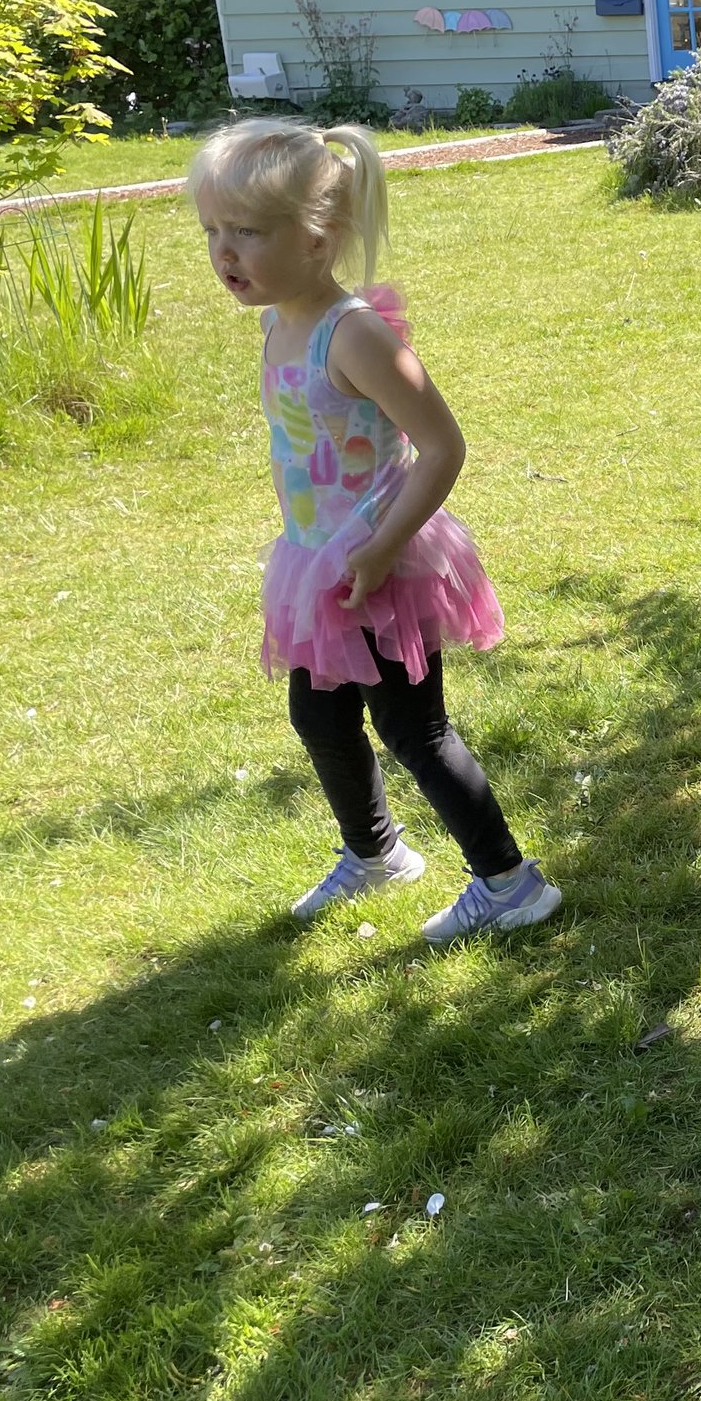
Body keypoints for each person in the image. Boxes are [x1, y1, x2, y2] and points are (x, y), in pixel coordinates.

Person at [189, 119, 562, 943]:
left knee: (413, 728)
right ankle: (376, 852)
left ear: (318, 238)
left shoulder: (354, 334)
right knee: (319, 717)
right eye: (213, 230)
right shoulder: (277, 321)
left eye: (247, 231)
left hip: (382, 562)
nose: (225, 251)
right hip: (318, 564)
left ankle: (510, 881)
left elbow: (443, 446)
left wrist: (385, 543)